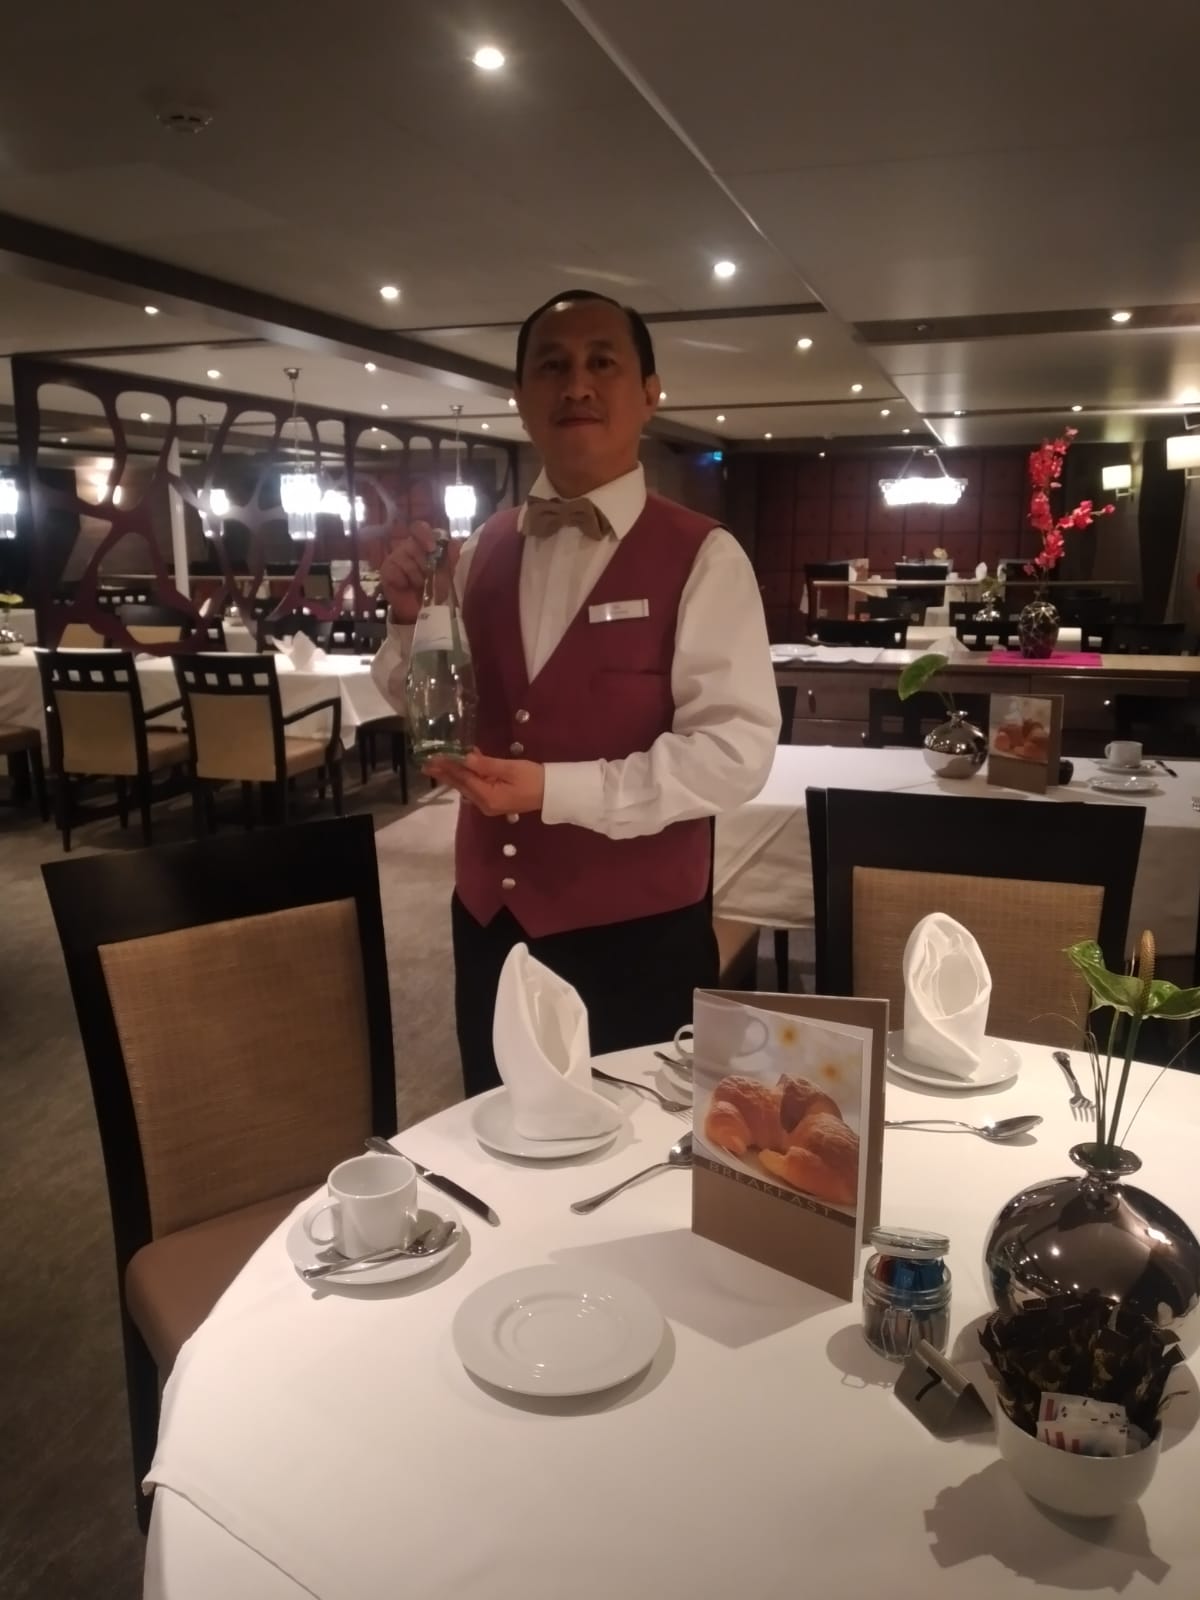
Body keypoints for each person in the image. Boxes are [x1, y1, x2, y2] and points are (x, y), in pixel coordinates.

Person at [377, 289, 779, 1096]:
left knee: (641, 1147)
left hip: (637, 935)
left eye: (603, 362)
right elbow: (427, 708)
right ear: (521, 397)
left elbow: (734, 754)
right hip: (490, 925)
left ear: (650, 392)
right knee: (497, 1126)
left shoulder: (705, 555)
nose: (577, 385)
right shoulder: (479, 550)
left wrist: (551, 790)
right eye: (552, 366)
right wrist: (406, 625)